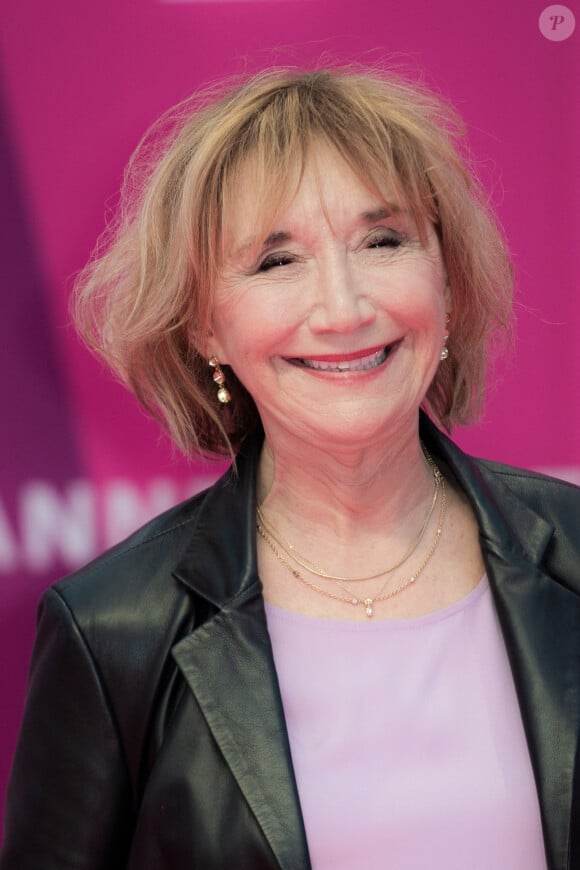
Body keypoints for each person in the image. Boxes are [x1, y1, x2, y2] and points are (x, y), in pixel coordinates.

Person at [1, 66, 579, 870]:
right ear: (205, 325)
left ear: (445, 279)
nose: (342, 309)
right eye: (277, 262)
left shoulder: (575, 553)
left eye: (383, 242)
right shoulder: (115, 632)